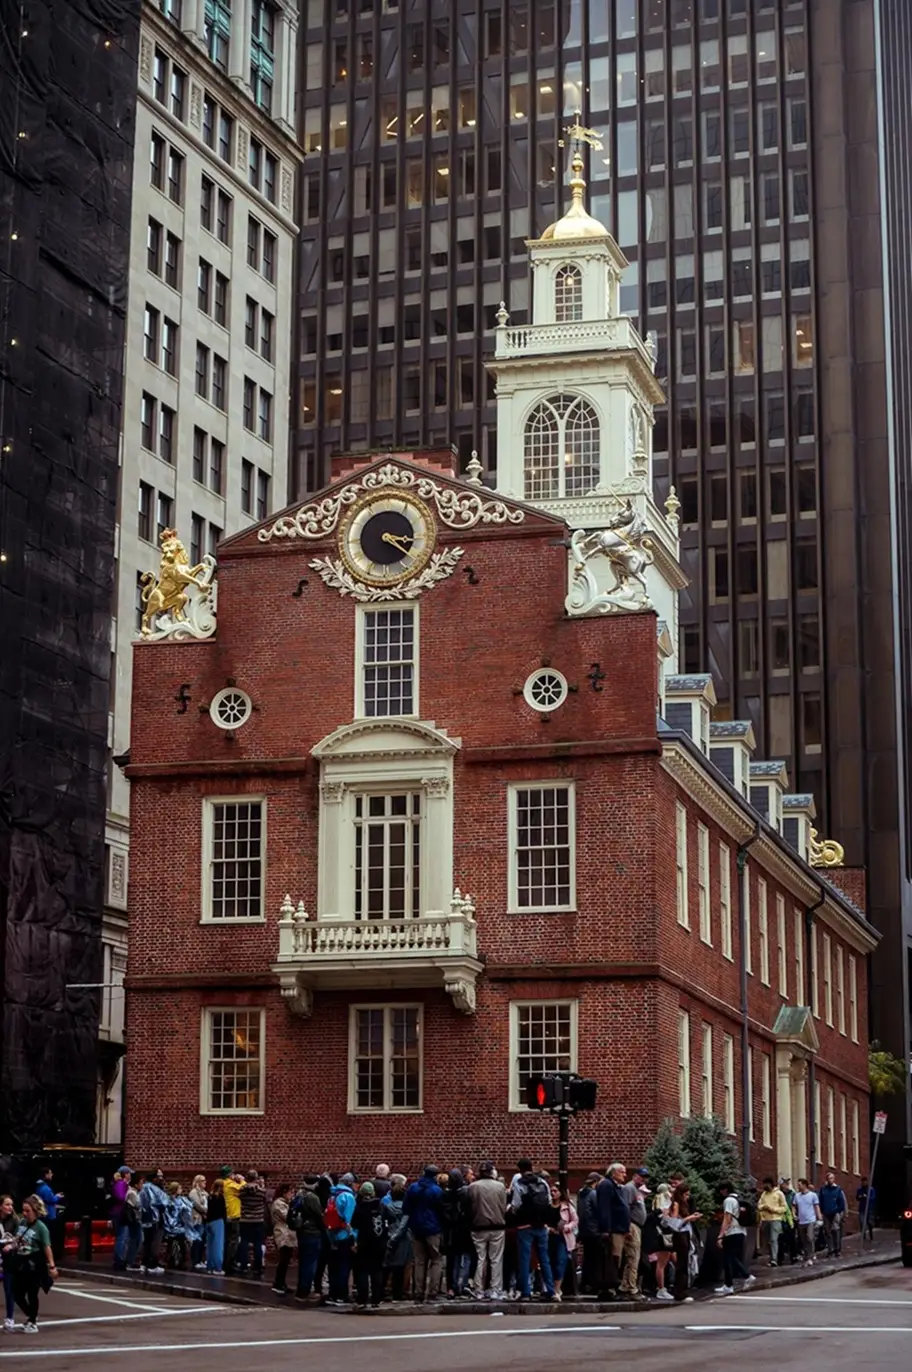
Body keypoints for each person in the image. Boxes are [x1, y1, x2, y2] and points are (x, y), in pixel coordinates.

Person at [10, 1196, 57, 1334]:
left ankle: (32, 1321)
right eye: (23, 1210)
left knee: (32, 1294)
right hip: (20, 1262)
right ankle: (31, 1315)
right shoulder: (22, 1223)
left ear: (35, 1211)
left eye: (27, 1211)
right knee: (16, 1293)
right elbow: (18, 1237)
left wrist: (52, 1266)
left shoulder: (41, 1228)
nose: (24, 1213)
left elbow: (47, 1247)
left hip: (34, 1264)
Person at [511, 1158, 555, 1301]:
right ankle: (550, 1290)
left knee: (525, 1259)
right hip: (541, 1225)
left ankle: (526, 1292)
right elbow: (548, 1201)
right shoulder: (542, 1182)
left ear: (520, 1169)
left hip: (525, 1226)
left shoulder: (519, 1183)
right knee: (544, 1259)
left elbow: (516, 1205)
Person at [404, 1165, 445, 1302]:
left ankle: (418, 1293)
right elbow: (441, 1210)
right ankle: (432, 1293)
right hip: (433, 1228)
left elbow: (406, 1208)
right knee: (436, 1259)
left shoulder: (413, 1188)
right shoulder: (436, 1190)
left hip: (416, 1227)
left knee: (419, 1262)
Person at [467, 1161, 506, 1299]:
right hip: (497, 1226)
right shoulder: (500, 1187)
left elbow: (469, 1207)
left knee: (480, 1258)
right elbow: (504, 1205)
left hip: (478, 1226)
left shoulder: (472, 1187)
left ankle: (478, 1288)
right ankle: (495, 1289)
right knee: (496, 1259)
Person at [596, 1162, 631, 1300]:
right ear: (613, 1172)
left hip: (619, 1229)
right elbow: (604, 1209)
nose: (625, 1175)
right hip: (613, 1230)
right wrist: (606, 1229)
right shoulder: (607, 1185)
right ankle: (608, 1288)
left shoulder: (616, 1187)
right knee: (612, 1259)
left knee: (617, 1259)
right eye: (622, 1172)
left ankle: (612, 1286)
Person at [352, 1181, 389, 1308]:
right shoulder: (381, 1206)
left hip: (364, 1242)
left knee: (362, 1271)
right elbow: (389, 1219)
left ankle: (362, 1299)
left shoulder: (360, 1207)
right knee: (377, 1271)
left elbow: (354, 1224)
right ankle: (376, 1299)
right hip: (379, 1243)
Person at [714, 1182, 756, 1295]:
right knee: (729, 1258)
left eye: (721, 1190)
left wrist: (721, 1234)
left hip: (732, 1232)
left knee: (729, 1258)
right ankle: (728, 1285)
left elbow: (727, 1218)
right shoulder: (738, 1199)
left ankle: (746, 1276)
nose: (720, 1193)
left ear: (725, 1190)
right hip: (741, 1231)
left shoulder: (728, 1201)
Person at [325, 1173, 358, 1304]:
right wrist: (354, 1237)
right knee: (344, 1266)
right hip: (345, 1235)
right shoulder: (348, 1197)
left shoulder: (332, 1196)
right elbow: (349, 1219)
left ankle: (332, 1294)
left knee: (334, 1266)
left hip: (332, 1234)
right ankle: (342, 1295)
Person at [291, 1176, 326, 1301]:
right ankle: (305, 1291)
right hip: (312, 1232)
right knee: (310, 1263)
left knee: (303, 1262)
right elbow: (319, 1216)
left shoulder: (299, 1195)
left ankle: (301, 1289)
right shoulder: (312, 1198)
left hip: (302, 1231)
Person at [666, 1183, 701, 1303]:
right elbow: (674, 1223)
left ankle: (682, 1290)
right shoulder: (676, 1204)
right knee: (682, 1263)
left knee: (685, 1262)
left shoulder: (683, 1205)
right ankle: (680, 1292)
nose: (687, 1197)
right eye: (686, 1194)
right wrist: (688, 1218)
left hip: (685, 1234)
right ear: (681, 1194)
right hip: (680, 1235)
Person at [442, 1169, 472, 1298]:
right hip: (464, 1229)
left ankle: (451, 1287)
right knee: (465, 1258)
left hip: (450, 1231)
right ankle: (463, 1284)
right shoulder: (466, 1192)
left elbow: (443, 1212)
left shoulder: (445, 1194)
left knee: (451, 1260)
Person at [619, 1168, 648, 1299]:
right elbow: (625, 1208)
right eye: (641, 1176)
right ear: (635, 1176)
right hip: (632, 1225)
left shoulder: (639, 1190)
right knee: (633, 1257)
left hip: (637, 1226)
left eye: (645, 1177)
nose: (644, 1179)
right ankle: (632, 1287)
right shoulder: (629, 1188)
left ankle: (625, 1285)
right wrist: (626, 1227)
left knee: (632, 1257)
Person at [642, 1183, 674, 1301]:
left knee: (660, 1264)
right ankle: (661, 1289)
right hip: (663, 1236)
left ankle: (661, 1287)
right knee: (661, 1264)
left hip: (658, 1236)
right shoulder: (664, 1202)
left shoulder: (655, 1201)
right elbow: (664, 1221)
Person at [383, 1178, 412, 1303]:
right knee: (403, 1267)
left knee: (389, 1266)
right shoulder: (407, 1209)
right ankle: (399, 1293)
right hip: (405, 1239)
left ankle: (387, 1290)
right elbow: (405, 1226)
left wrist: (390, 1237)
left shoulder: (386, 1207)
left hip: (389, 1237)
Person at [547, 1183, 578, 1301]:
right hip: (549, 1237)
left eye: (555, 1191)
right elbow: (543, 1220)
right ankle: (549, 1289)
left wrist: (566, 1227)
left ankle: (556, 1289)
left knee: (560, 1262)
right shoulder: (547, 1206)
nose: (553, 1193)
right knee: (549, 1263)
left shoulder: (567, 1206)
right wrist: (548, 1229)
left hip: (562, 1238)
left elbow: (575, 1220)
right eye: (552, 1191)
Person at [237, 1169, 267, 1278]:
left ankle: (244, 1266)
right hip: (258, 1220)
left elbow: (239, 1197)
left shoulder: (242, 1191)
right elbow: (265, 1199)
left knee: (244, 1243)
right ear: (256, 1178)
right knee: (258, 1244)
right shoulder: (261, 1191)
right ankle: (257, 1268)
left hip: (245, 1219)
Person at [576, 1172, 602, 1294]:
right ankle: (593, 1284)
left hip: (584, 1230)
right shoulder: (593, 1194)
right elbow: (598, 1210)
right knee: (595, 1259)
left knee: (587, 1258)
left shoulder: (581, 1193)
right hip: (594, 1230)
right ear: (595, 1182)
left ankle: (585, 1283)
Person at [270, 1183, 297, 1295]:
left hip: (288, 1234)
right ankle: (278, 1283)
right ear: (284, 1192)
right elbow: (287, 1217)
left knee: (286, 1260)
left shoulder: (286, 1203)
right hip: (282, 1233)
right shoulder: (279, 1204)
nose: (292, 1195)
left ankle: (282, 1283)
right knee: (283, 1260)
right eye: (291, 1192)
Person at [139, 1172, 168, 1274]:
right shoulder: (152, 1188)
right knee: (154, 1243)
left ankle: (144, 1263)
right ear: (154, 1178)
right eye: (159, 1176)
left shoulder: (144, 1188)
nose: (161, 1178)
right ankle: (152, 1265)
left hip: (146, 1219)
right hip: (155, 1219)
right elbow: (161, 1202)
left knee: (147, 1242)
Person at [757, 1177, 788, 1267]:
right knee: (768, 1241)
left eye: (765, 1184)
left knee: (774, 1239)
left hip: (776, 1219)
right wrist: (763, 1207)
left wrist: (773, 1209)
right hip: (765, 1219)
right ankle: (771, 1258)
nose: (764, 1186)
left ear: (770, 1184)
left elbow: (784, 1208)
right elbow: (759, 1205)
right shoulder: (764, 1194)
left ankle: (774, 1259)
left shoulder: (779, 1193)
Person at [163, 1182, 194, 1270]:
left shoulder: (181, 1199)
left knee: (182, 1245)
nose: (181, 1190)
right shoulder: (168, 1200)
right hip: (172, 1226)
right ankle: (171, 1261)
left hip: (180, 1226)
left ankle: (182, 1262)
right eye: (179, 1188)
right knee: (171, 1245)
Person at [34, 1171, 63, 1262]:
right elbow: (51, 1199)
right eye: (50, 1173)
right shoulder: (45, 1188)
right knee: (50, 1237)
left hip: (43, 1215)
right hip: (49, 1215)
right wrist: (57, 1197)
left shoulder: (38, 1187)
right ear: (45, 1175)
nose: (52, 1175)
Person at [222, 1168, 245, 1276]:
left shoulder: (224, 1184)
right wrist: (242, 1179)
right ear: (229, 1175)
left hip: (229, 1215)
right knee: (233, 1241)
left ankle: (228, 1262)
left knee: (229, 1240)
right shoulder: (230, 1184)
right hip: (234, 1215)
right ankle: (229, 1264)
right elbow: (244, 1188)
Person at [0, 1196, 19, 1331]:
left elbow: (19, 1239)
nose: (10, 1207)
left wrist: (11, 1246)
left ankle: (10, 1318)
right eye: (7, 1204)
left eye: (11, 1205)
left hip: (9, 1259)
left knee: (9, 1289)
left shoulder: (15, 1221)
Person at [794, 1178, 822, 1265]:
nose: (798, 1186)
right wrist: (794, 1214)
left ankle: (811, 1256)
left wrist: (819, 1217)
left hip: (810, 1220)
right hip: (801, 1221)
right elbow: (793, 1206)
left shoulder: (813, 1195)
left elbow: (816, 1206)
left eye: (799, 1185)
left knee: (810, 1238)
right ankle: (807, 1256)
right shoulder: (797, 1196)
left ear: (804, 1185)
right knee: (803, 1240)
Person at [819, 1171, 847, 1258]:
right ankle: (830, 1249)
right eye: (828, 1178)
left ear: (834, 1179)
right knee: (827, 1231)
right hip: (826, 1213)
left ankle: (837, 1249)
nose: (830, 1180)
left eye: (831, 1178)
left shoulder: (838, 1189)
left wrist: (839, 1210)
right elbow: (821, 1200)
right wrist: (822, 1210)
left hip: (835, 1212)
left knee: (835, 1230)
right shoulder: (823, 1189)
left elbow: (841, 1201)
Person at [110, 1168, 131, 1271]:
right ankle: (119, 1261)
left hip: (119, 1213)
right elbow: (121, 1197)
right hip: (120, 1213)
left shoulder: (120, 1184)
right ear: (125, 1174)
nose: (130, 1175)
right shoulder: (121, 1184)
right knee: (121, 1237)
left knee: (122, 1237)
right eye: (129, 1173)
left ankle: (120, 1259)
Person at [205, 1179, 226, 1275]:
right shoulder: (220, 1197)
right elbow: (223, 1211)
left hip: (209, 1222)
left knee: (210, 1246)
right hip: (218, 1221)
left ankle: (210, 1266)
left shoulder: (209, 1196)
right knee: (218, 1246)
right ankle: (218, 1268)